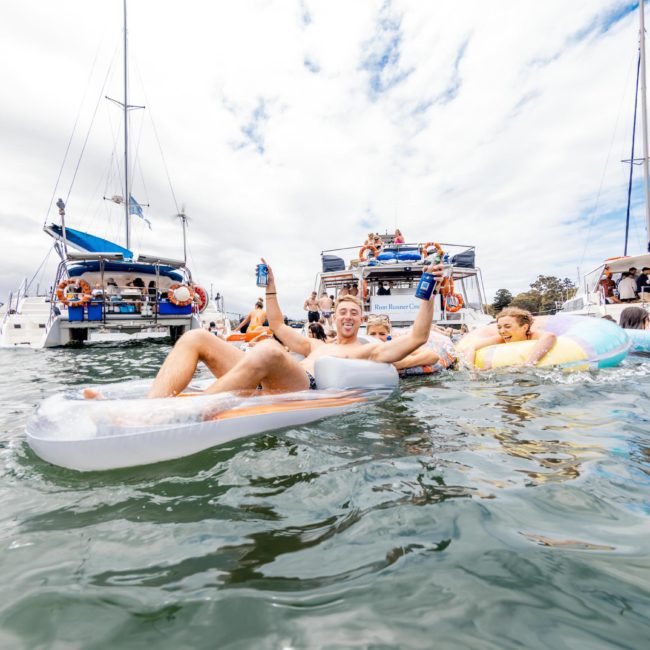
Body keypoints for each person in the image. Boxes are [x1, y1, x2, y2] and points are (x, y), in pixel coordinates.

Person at [84, 258, 444, 399]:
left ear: (361, 320)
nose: (348, 316)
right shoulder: (313, 346)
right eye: (342, 310)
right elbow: (275, 324)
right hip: (263, 376)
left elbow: (417, 338)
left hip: (303, 386)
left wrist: (428, 295)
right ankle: (151, 406)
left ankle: (178, 414)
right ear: (334, 316)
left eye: (354, 312)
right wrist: (270, 285)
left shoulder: (368, 350)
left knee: (270, 351)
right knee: (196, 336)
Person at [462, 307, 557, 367]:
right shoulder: (500, 339)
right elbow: (470, 347)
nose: (502, 331)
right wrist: (471, 371)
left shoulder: (532, 335)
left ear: (524, 327)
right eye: (499, 327)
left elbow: (550, 336)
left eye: (507, 326)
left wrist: (527, 364)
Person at [365, 314, 441, 372]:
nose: (377, 338)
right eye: (372, 334)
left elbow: (433, 357)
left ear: (389, 335)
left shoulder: (395, 344)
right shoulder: (361, 347)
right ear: (366, 334)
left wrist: (400, 364)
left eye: (382, 334)